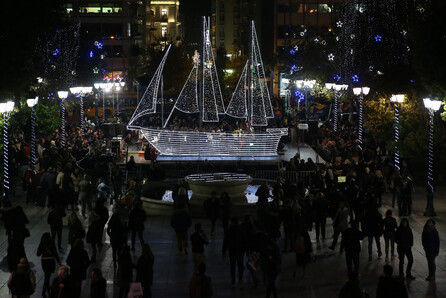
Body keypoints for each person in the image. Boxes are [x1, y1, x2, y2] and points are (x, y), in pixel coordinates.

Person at [222, 217, 245, 285]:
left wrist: (223, 252)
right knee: (240, 265)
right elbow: (244, 240)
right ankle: (240, 279)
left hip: (231, 250)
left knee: (232, 266)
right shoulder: (241, 230)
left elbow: (225, 242)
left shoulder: (228, 230)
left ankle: (233, 280)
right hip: (239, 250)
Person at [37, 232, 61, 297]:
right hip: (51, 261)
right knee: (47, 276)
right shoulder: (52, 243)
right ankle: (45, 291)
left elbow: (38, 254)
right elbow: (55, 253)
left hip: (44, 262)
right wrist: (59, 262)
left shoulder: (41, 244)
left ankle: (46, 290)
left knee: (47, 276)